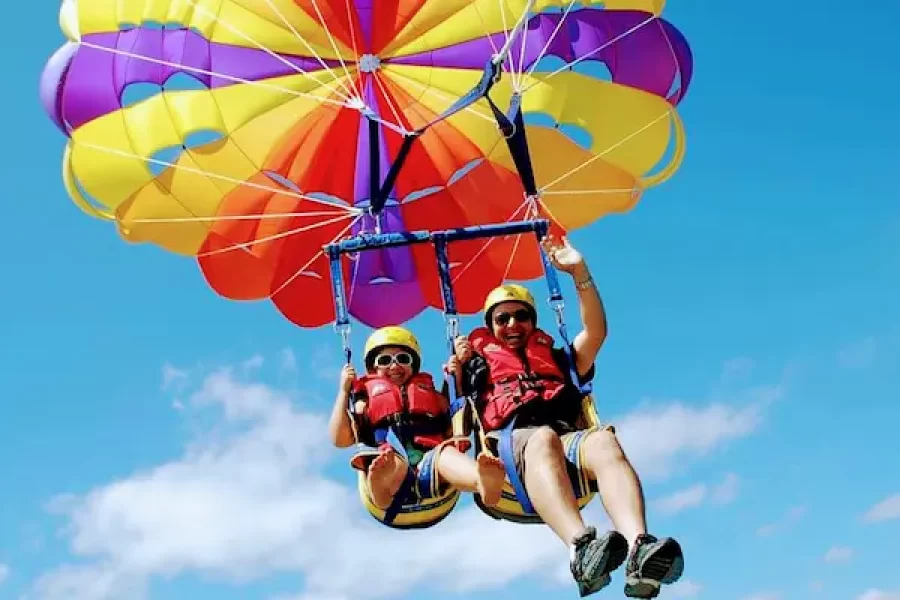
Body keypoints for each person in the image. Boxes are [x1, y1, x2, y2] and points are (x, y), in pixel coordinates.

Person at [453, 234, 684, 598]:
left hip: (565, 441)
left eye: (521, 316)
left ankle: (639, 546)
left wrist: (579, 271)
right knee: (542, 437)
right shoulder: (476, 368)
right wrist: (460, 367)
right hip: (513, 448)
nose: (512, 324)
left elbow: (596, 332)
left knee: (603, 439)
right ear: (490, 326)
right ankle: (580, 548)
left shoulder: (560, 360)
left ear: (533, 321)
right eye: (503, 318)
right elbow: (448, 408)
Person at [328, 325, 506, 528]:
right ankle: (382, 494)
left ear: (414, 365)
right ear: (373, 368)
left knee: (446, 455)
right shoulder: (364, 400)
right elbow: (339, 439)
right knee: (390, 464)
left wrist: (456, 379)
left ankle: (481, 481)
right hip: (391, 457)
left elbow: (455, 427)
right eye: (385, 361)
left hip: (430, 463)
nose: (395, 366)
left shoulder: (432, 396)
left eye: (403, 359)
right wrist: (344, 391)